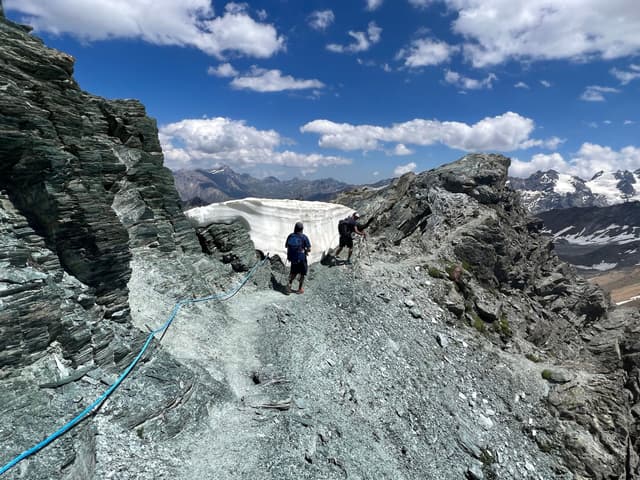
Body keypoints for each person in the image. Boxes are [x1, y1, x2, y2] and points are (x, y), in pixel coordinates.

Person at [285, 221, 311, 294]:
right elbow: (309, 249)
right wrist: (305, 250)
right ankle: (299, 289)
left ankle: (289, 286)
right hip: (302, 258)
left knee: (293, 272)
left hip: (293, 258)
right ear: (302, 229)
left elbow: (286, 246)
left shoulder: (290, 236)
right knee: (302, 273)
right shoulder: (304, 237)